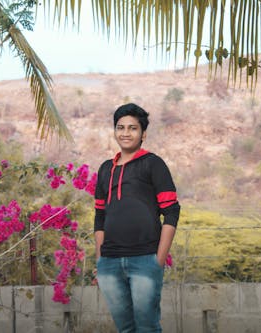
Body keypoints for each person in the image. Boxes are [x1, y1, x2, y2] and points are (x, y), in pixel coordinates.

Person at [94, 103, 180, 332]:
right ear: (114, 131)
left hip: (145, 260)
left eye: (132, 128)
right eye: (120, 127)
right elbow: (100, 216)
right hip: (110, 263)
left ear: (143, 133)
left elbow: (172, 211)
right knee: (125, 328)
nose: (125, 133)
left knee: (147, 327)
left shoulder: (153, 164)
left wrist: (158, 261)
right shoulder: (105, 169)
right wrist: (100, 259)